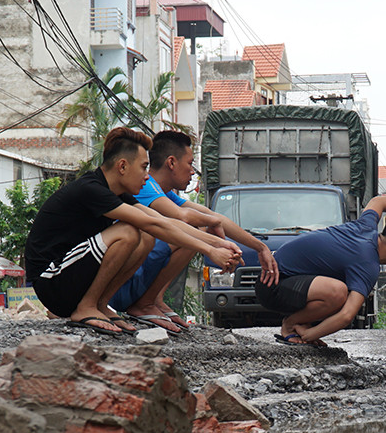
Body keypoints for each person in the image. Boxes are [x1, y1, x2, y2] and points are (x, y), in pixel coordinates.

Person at [23, 127, 243, 337]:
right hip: (51, 282)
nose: (147, 176)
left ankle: (100, 304)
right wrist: (210, 250)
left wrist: (218, 244)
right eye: (144, 167)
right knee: (129, 231)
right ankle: (86, 307)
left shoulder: (118, 194)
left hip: (70, 278)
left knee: (145, 235)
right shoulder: (91, 189)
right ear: (122, 166)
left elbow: (164, 222)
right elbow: (155, 224)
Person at [111, 130, 279, 333]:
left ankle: (154, 300)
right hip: (117, 285)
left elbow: (213, 216)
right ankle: (145, 304)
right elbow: (184, 218)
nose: (192, 171)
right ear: (171, 163)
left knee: (195, 227)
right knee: (189, 230)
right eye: (190, 163)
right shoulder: (146, 187)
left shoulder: (164, 193)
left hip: (129, 278)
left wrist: (260, 247)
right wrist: (215, 243)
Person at [255, 194, 386, 348]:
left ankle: (301, 324)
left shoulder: (366, 227)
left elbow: (379, 201)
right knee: (338, 292)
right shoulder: (367, 263)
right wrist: (309, 336)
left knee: (339, 290)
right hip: (273, 284)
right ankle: (290, 326)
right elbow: (347, 315)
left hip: (283, 281)